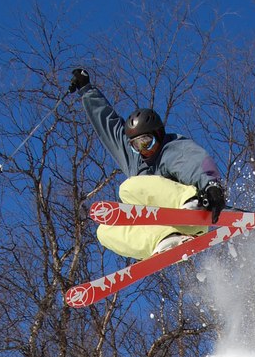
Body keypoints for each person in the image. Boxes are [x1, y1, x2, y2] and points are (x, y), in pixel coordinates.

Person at [69, 68, 226, 261]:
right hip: (175, 232)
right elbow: (108, 123)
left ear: (158, 135)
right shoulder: (135, 158)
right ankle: (165, 240)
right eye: (136, 145)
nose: (143, 150)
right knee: (105, 231)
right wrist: (86, 89)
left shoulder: (172, 149)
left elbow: (194, 163)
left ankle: (189, 204)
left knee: (128, 188)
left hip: (196, 215)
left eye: (146, 142)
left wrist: (211, 186)